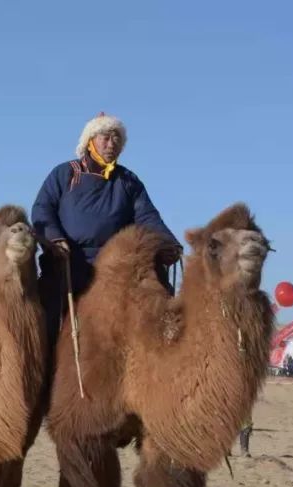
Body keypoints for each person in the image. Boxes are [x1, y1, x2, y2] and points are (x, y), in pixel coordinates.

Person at [31, 113, 183, 352]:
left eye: (117, 139)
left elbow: (147, 216)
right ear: (90, 140)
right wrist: (55, 239)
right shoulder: (64, 174)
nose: (112, 144)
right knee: (48, 321)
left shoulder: (128, 181)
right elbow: (42, 209)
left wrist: (168, 244)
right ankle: (44, 380)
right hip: (67, 261)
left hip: (114, 265)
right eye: (106, 137)